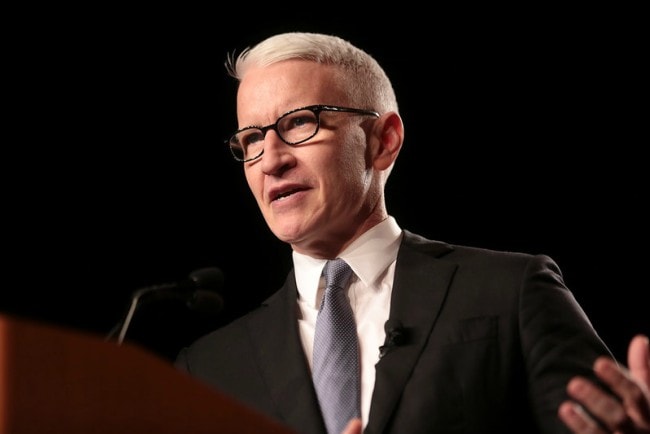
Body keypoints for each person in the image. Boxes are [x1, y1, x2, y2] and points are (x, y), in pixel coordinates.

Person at [175, 32, 650, 434]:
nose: (272, 159)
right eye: (252, 139)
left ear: (384, 140)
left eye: (300, 122)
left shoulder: (510, 293)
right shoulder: (209, 368)